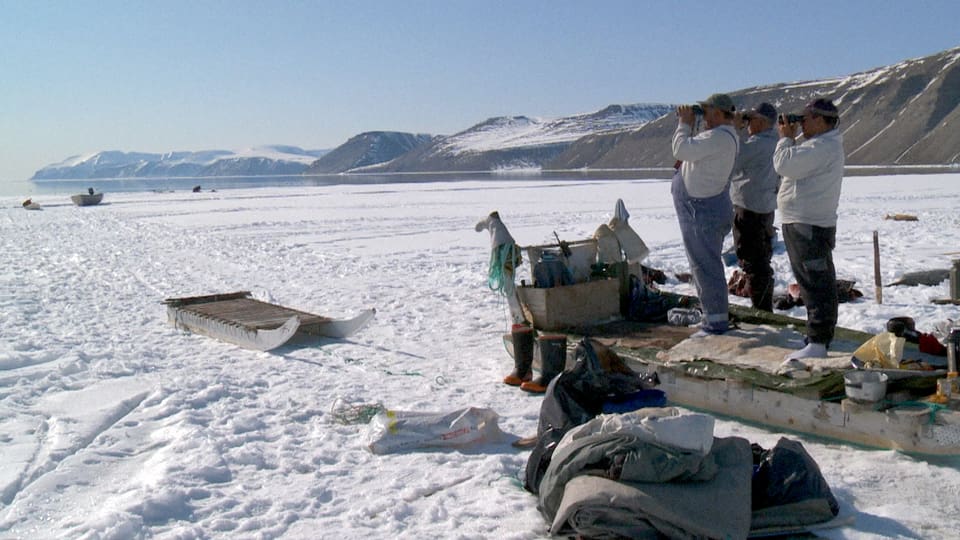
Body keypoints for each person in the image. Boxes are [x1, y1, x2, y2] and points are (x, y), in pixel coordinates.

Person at [773, 98, 844, 360]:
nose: (800, 123)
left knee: (816, 283)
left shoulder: (823, 147)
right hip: (803, 222)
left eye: (805, 118)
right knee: (810, 280)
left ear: (821, 120)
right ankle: (818, 337)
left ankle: (818, 341)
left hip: (809, 224)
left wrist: (785, 139)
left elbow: (783, 164)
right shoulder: (817, 146)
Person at [671, 93, 739, 336]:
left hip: (702, 210)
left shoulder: (719, 137)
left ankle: (715, 322)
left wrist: (685, 124)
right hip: (702, 208)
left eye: (707, 111)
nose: (704, 115)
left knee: (705, 266)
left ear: (719, 113)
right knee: (703, 264)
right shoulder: (719, 136)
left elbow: (680, 149)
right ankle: (713, 316)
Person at [730, 102, 780, 311]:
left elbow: (729, 162)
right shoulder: (778, 143)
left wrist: (733, 130)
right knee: (761, 259)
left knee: (752, 262)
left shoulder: (755, 145)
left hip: (749, 209)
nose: (747, 124)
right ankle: (763, 306)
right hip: (766, 209)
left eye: (750, 120)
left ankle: (762, 310)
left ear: (761, 122)